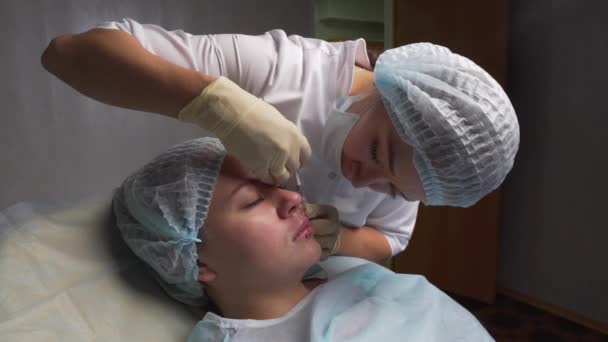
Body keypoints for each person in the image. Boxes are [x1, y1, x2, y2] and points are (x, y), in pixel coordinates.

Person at [42, 18, 520, 262]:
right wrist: (214, 103)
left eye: (391, 188)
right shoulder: (283, 69)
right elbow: (67, 54)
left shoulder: (423, 161)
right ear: (386, 88)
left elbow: (390, 238)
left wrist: (335, 240)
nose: (364, 178)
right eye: (376, 151)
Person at [113, 137, 494, 341]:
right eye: (254, 201)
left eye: (278, 186)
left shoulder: (351, 272)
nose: (294, 199)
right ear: (197, 262)